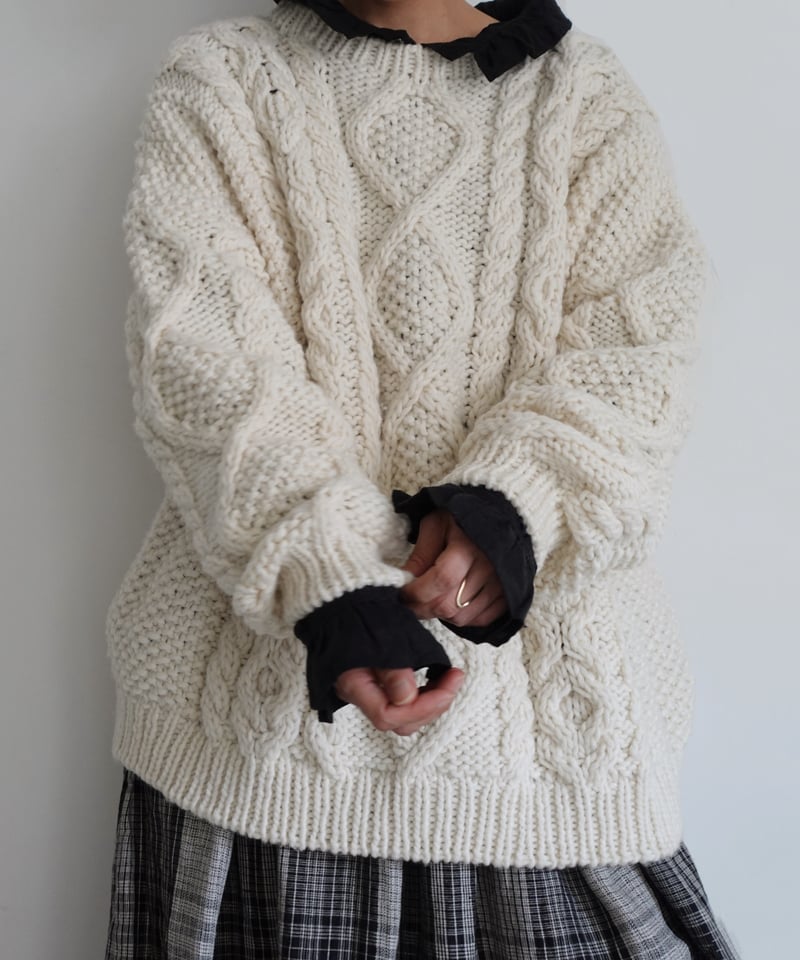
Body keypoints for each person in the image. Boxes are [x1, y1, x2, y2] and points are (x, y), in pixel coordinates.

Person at [104, 1, 742, 956]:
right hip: (262, 758)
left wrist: (513, 506)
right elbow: (204, 359)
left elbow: (641, 352)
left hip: (548, 769)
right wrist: (325, 569)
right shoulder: (224, 80)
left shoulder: (584, 96)